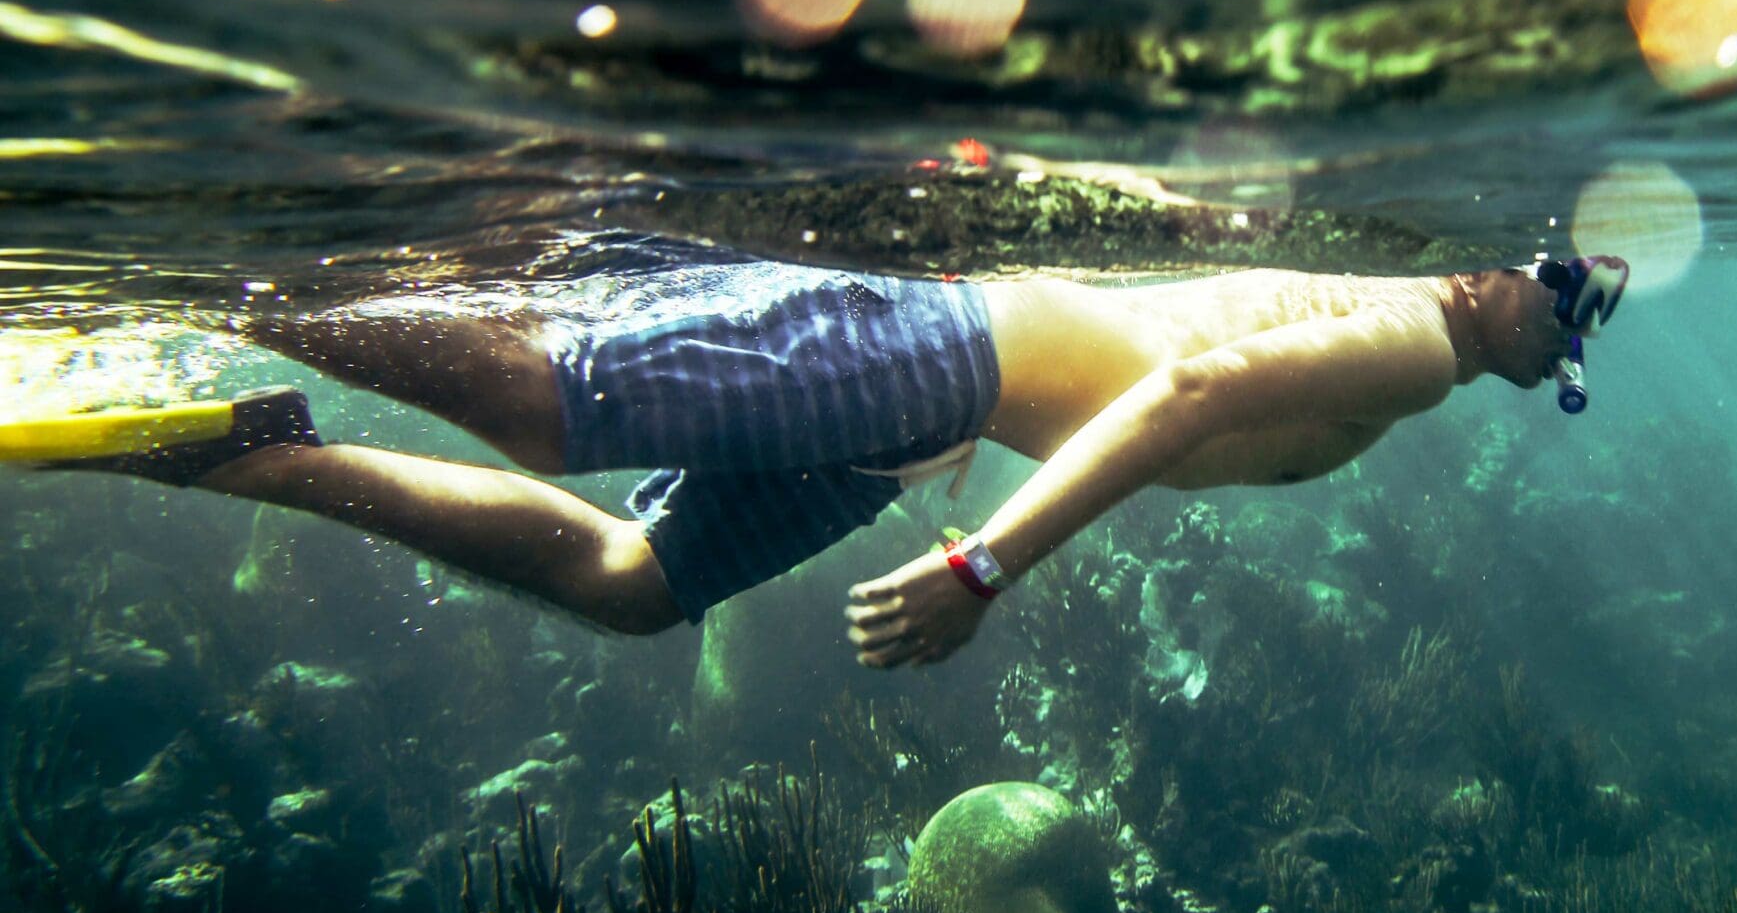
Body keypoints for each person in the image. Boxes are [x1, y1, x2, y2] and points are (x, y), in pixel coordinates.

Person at [40, 243, 1628, 669]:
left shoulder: (1404, 331)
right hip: (936, 357)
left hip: (928, 403)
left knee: (633, 585)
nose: (1572, 315)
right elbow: (1193, 393)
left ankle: (252, 451)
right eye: (1564, 278)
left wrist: (966, 447)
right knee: (541, 408)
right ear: (1494, 262)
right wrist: (983, 564)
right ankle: (231, 291)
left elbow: (1155, 369)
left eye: (1595, 304)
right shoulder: (1420, 336)